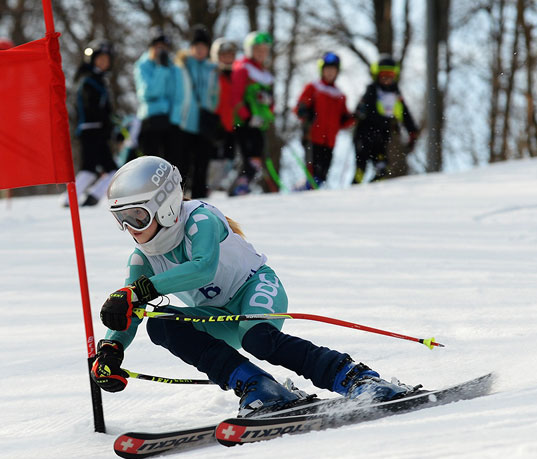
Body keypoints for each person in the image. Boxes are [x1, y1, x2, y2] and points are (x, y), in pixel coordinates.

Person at [90, 155, 411, 417]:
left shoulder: (199, 219)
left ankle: (355, 377)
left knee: (258, 338)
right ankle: (257, 385)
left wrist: (139, 292)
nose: (131, 229)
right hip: (217, 315)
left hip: (255, 289)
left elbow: (201, 269)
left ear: (166, 206)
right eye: (122, 220)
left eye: (137, 217)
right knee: (160, 325)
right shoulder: (141, 260)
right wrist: (111, 349)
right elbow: (130, 309)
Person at [352, 55, 419, 184]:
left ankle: (373, 193)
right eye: (384, 75)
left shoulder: (395, 94)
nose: (387, 79)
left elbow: (404, 113)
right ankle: (353, 191)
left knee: (382, 169)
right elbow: (360, 109)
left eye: (390, 75)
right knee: (361, 168)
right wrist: (360, 112)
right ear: (377, 75)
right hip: (364, 136)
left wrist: (412, 131)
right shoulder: (372, 90)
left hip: (381, 138)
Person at [294, 52, 355, 188]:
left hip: (330, 140)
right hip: (313, 136)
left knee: (323, 173)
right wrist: (303, 111)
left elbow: (343, 120)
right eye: (327, 70)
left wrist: (354, 117)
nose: (330, 73)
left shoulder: (339, 95)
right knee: (313, 172)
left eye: (333, 70)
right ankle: (303, 191)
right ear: (321, 70)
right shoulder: (314, 87)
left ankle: (311, 193)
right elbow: (299, 107)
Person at [72, 39, 119, 207]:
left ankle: (91, 196)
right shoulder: (88, 81)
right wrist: (104, 122)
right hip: (91, 130)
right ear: (91, 59)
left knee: (102, 169)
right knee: (93, 169)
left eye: (106, 59)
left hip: (98, 130)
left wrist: (111, 124)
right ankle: (69, 199)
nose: (103, 62)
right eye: (100, 59)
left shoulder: (100, 81)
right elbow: (88, 108)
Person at [174, 26, 219, 199]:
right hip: (184, 122)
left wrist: (213, 111)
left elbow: (215, 93)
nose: (200, 50)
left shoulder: (212, 68)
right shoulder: (182, 65)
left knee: (202, 164)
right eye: (196, 46)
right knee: (182, 164)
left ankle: (200, 198)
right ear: (191, 47)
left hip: (205, 122)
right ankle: (179, 197)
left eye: (203, 46)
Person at [229, 31, 275, 196]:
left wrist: (269, 112)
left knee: (257, 157)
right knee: (248, 156)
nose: (261, 54)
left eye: (264, 50)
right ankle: (237, 186)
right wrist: (247, 116)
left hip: (259, 122)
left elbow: (270, 101)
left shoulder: (266, 75)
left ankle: (244, 185)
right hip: (244, 122)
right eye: (257, 50)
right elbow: (235, 96)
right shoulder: (242, 68)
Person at [134, 29, 182, 164]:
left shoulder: (174, 68)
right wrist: (161, 69)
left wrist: (175, 119)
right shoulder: (142, 66)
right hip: (151, 120)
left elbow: (178, 95)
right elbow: (147, 93)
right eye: (158, 47)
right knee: (151, 163)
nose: (161, 51)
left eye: (164, 48)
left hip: (171, 120)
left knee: (173, 162)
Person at [207, 37, 238, 191]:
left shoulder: (235, 75)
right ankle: (210, 187)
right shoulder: (212, 74)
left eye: (230, 55)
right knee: (214, 159)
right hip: (216, 122)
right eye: (223, 55)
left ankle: (222, 187)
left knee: (229, 158)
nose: (227, 59)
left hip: (230, 124)